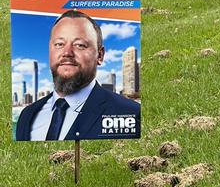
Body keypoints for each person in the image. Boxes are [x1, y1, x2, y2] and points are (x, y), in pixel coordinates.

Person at [15, 10, 141, 141]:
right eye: (59, 44)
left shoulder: (132, 114)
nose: (67, 53)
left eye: (79, 45)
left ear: (100, 55)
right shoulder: (27, 115)